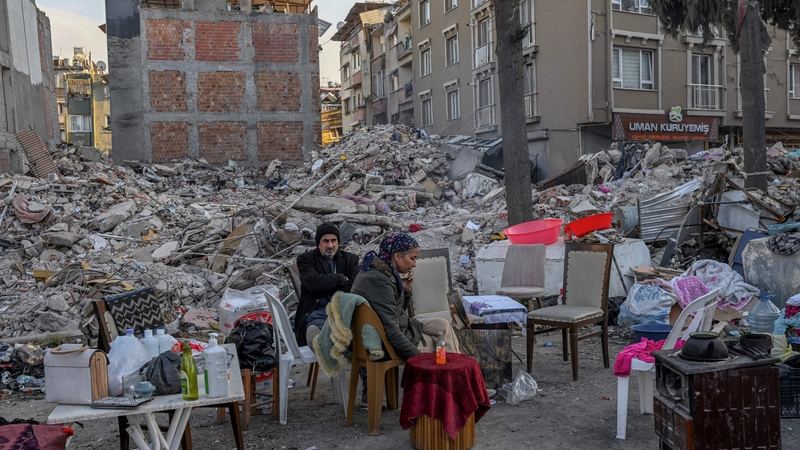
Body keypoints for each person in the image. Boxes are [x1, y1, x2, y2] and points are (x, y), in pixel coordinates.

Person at [351, 233, 460, 362]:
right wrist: (418, 358)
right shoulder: (378, 280)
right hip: (383, 342)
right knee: (441, 344)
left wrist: (405, 290)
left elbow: (395, 311)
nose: (414, 264)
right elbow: (391, 331)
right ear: (397, 256)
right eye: (412, 258)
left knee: (442, 325)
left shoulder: (384, 273)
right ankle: (452, 375)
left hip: (400, 327)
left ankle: (454, 370)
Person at [295, 223, 359, 347]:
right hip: (318, 312)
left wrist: (325, 284)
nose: (330, 245)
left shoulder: (351, 259)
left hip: (344, 311)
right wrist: (340, 278)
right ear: (318, 243)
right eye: (325, 241)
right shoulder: (306, 259)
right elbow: (313, 283)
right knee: (317, 332)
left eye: (333, 241)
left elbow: (355, 285)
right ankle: (320, 343)